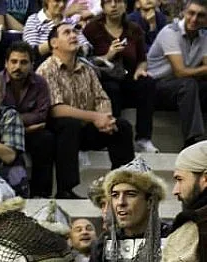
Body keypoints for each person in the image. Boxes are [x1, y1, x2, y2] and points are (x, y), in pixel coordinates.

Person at [37, 21, 134, 199]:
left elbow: (101, 98)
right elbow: (56, 110)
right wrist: (95, 117)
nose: (74, 35)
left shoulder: (86, 68)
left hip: (87, 128)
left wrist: (105, 118)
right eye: (67, 33)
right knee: (68, 124)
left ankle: (121, 184)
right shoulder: (46, 69)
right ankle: (65, 190)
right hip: (60, 132)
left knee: (123, 126)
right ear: (54, 43)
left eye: (74, 32)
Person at [83, 0, 159, 153]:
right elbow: (86, 60)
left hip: (129, 77)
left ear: (125, 6)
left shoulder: (134, 29)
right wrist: (108, 55)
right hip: (104, 78)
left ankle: (143, 139)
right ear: (103, 7)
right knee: (111, 87)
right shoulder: (92, 29)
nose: (113, 6)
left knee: (148, 82)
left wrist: (140, 69)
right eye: (108, 2)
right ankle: (111, 136)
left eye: (117, 2)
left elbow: (142, 59)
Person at [146, 0, 207, 148]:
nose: (194, 19)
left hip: (184, 89)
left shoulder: (204, 36)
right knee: (188, 84)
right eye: (191, 13)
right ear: (183, 13)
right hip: (157, 87)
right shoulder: (170, 32)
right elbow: (180, 72)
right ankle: (192, 142)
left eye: (200, 15)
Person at [2, 41, 55, 197]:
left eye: (24, 62)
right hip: (4, 134)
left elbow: (41, 115)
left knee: (46, 139)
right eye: (13, 62)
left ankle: (41, 194)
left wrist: (13, 120)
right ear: (6, 63)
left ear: (32, 65)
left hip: (33, 133)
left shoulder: (40, 83)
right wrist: (23, 127)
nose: (18, 67)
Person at [24, 0, 92, 63]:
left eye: (64, 1)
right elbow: (30, 52)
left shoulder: (70, 22)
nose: (62, 4)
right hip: (43, 65)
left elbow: (87, 47)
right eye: (57, 0)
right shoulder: (34, 20)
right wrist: (58, 42)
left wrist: (79, 48)